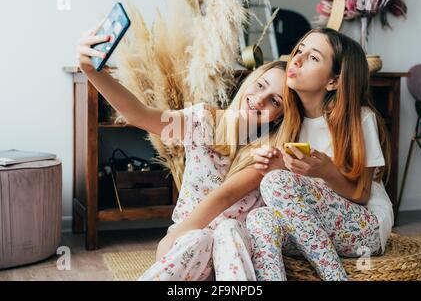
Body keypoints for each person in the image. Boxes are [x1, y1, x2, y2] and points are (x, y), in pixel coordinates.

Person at [76, 22, 289, 280]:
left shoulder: (268, 152)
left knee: (228, 229)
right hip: (188, 247)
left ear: (279, 117)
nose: (260, 99)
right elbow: (139, 115)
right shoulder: (203, 121)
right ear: (251, 80)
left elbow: (227, 197)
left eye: (275, 101)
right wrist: (92, 71)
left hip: (233, 255)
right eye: (260, 85)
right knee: (199, 238)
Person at [248, 28, 392, 281]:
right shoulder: (290, 122)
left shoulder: (359, 118)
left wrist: (326, 172)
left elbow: (362, 195)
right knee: (259, 219)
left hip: (366, 229)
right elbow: (296, 199)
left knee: (275, 183)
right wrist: (274, 165)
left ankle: (335, 277)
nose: (297, 60)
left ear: (333, 81)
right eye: (300, 50)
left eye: (313, 57)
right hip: (318, 228)